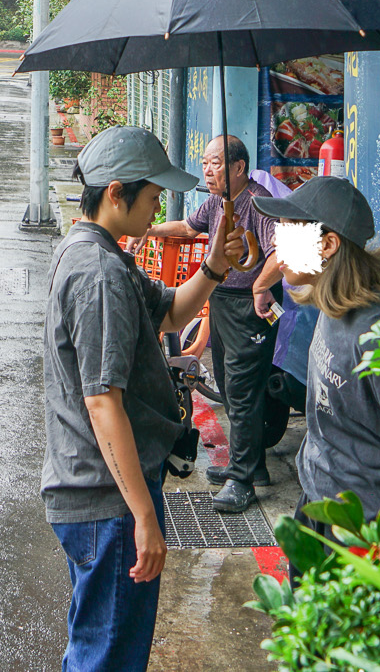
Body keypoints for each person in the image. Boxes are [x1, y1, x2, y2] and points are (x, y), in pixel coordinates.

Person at [44, 126, 246, 672]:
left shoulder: (102, 253)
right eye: (153, 195)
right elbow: (102, 401)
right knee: (107, 658)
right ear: (116, 193)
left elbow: (171, 314)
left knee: (100, 646)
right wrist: (143, 518)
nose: (159, 206)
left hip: (103, 494)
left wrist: (215, 267)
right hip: (107, 500)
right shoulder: (99, 272)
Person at [251, 175, 380, 527]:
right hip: (318, 502)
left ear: (328, 244)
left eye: (288, 230)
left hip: (369, 533)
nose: (274, 241)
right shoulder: (332, 301)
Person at [149, 134, 279, 514]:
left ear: (239, 167)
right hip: (221, 299)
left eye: (217, 163)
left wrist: (260, 285)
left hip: (249, 309)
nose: (208, 169)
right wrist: (151, 230)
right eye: (205, 162)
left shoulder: (258, 203)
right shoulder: (216, 203)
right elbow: (190, 229)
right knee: (225, 381)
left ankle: (243, 480)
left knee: (241, 390)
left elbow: (280, 251)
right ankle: (252, 465)